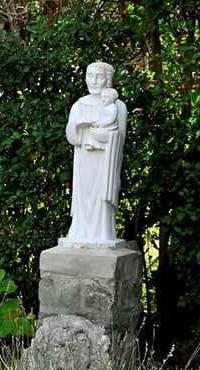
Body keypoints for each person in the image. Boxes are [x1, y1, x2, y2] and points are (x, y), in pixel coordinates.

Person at [64, 62, 127, 244]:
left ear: (108, 80)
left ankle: (103, 233)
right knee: (83, 195)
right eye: (90, 76)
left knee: (101, 195)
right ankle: (79, 232)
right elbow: (71, 134)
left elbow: (120, 135)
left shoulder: (118, 106)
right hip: (84, 160)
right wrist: (78, 125)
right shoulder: (79, 105)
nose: (93, 81)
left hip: (104, 162)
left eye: (99, 77)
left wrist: (107, 136)